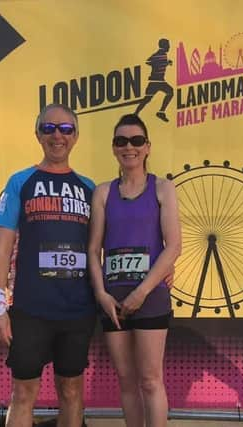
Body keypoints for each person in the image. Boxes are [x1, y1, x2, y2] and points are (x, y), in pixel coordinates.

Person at [0, 103, 96, 427]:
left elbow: (104, 247)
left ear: (76, 136)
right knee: (23, 393)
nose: (57, 136)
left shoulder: (90, 188)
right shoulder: (20, 181)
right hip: (30, 309)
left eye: (66, 129)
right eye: (49, 128)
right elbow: (2, 248)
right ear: (38, 134)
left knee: (72, 391)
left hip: (78, 310)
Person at [87, 114, 181, 427]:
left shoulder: (163, 189)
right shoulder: (102, 193)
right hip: (113, 301)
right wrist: (101, 294)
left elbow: (173, 247)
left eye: (137, 140)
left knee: (151, 381)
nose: (129, 147)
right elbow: (93, 249)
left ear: (147, 147)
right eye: (121, 141)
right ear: (114, 148)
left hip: (150, 297)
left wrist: (142, 292)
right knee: (126, 382)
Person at [134, 38, 174, 122]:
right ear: (164, 46)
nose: (169, 47)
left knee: (170, 92)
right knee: (147, 99)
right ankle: (135, 114)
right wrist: (157, 64)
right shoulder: (158, 54)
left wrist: (167, 63)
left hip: (160, 81)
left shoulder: (163, 54)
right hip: (155, 82)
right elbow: (147, 61)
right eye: (168, 45)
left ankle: (161, 112)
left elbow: (160, 62)